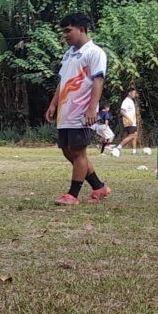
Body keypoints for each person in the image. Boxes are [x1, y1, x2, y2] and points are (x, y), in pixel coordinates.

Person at [45, 12, 111, 206]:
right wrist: (53, 103)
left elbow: (98, 81)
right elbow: (62, 81)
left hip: (82, 112)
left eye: (68, 31)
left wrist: (92, 109)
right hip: (66, 111)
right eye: (63, 32)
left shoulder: (95, 53)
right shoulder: (69, 54)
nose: (65, 35)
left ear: (81, 29)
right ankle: (99, 187)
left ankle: (72, 195)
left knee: (78, 152)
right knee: (67, 151)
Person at [112, 89, 140, 155]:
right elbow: (122, 111)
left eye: (135, 93)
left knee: (135, 135)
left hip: (133, 121)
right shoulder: (126, 101)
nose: (134, 94)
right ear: (129, 93)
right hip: (129, 122)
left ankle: (134, 152)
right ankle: (118, 147)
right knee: (131, 136)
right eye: (133, 93)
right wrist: (129, 119)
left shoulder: (131, 101)